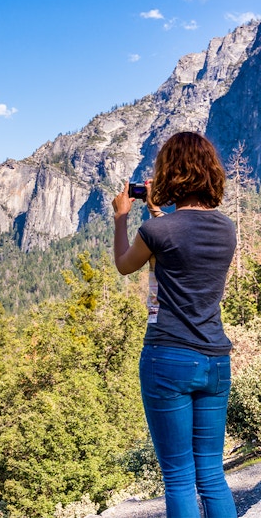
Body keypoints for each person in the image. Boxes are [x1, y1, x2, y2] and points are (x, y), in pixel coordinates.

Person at [112, 131, 237, 518]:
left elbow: (124, 264)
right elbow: (183, 241)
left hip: (168, 358)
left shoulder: (157, 231)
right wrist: (155, 215)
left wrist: (121, 219)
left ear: (170, 173)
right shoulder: (227, 228)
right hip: (216, 361)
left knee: (179, 478)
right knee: (211, 475)